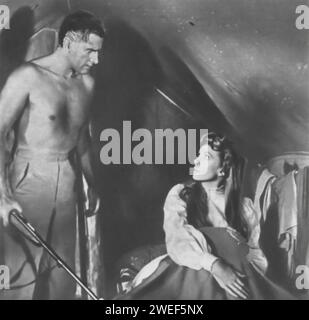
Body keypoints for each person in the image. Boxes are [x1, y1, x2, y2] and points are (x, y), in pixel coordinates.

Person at [0, 10, 104, 299]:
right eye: (90, 51)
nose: (95, 60)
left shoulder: (87, 84)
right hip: (28, 180)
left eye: (98, 53)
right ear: (69, 42)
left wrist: (90, 183)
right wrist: (3, 194)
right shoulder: (27, 77)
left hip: (67, 185)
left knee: (61, 279)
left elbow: (81, 138)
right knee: (20, 279)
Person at [117, 132, 295, 300]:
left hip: (237, 279)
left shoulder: (245, 208)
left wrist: (240, 267)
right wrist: (215, 265)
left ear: (222, 169)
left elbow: (256, 256)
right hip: (191, 273)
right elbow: (177, 238)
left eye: (206, 156)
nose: (196, 160)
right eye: (198, 155)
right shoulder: (182, 194)